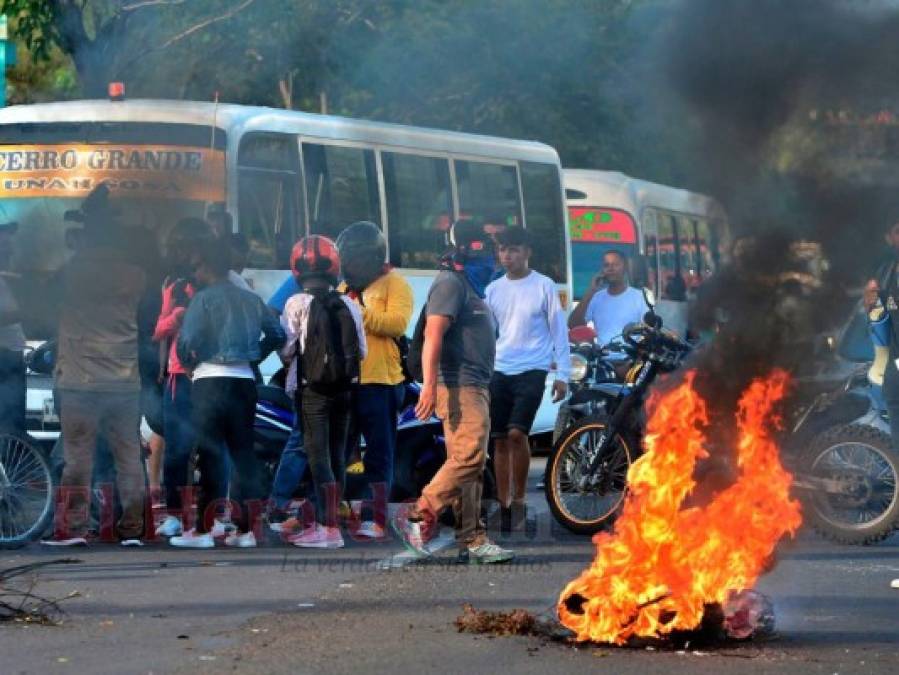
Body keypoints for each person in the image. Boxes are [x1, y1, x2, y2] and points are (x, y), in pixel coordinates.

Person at [393, 219, 514, 564]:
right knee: (470, 457)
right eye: (485, 247)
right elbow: (433, 335)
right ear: (465, 248)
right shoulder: (449, 283)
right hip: (458, 384)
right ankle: (418, 513)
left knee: (470, 465)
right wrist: (429, 387)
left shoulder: (470, 286)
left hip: (476, 384)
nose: (492, 256)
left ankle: (472, 538)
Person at [172, 237, 286, 548]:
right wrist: (253, 356)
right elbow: (277, 333)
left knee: (209, 454)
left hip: (210, 380)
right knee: (244, 454)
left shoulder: (204, 299)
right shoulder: (250, 298)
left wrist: (188, 364)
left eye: (196, 267)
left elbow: (187, 340)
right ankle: (246, 530)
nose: (194, 273)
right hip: (245, 382)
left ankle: (204, 531)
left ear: (208, 266)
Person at [47, 203, 147, 546]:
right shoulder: (136, 275)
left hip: (80, 380)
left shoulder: (71, 272)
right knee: (129, 457)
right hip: (124, 381)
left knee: (78, 458)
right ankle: (133, 528)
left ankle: (75, 527)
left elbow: (43, 299)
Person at [280, 235, 366, 549]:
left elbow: (288, 348)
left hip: (311, 392)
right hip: (345, 391)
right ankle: (329, 523)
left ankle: (326, 528)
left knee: (318, 459)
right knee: (338, 456)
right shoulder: (349, 303)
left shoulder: (296, 303)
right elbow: (363, 351)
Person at [486, 226, 569, 532]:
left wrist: (563, 375)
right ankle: (503, 504)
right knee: (499, 439)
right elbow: (489, 333)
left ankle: (519, 499)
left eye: (515, 250)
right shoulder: (494, 289)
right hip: (500, 368)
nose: (508, 256)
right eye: (503, 250)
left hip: (533, 370)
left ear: (528, 252)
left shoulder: (544, 286)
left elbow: (559, 331)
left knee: (518, 434)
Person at [337, 222, 413, 539]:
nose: (350, 266)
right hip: (345, 381)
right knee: (339, 449)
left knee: (379, 452)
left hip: (381, 381)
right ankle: (337, 506)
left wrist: (355, 312)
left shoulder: (394, 283)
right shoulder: (342, 289)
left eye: (355, 259)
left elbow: (396, 323)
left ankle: (374, 516)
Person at [152, 218, 216, 540]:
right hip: (178, 375)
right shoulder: (172, 284)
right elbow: (159, 329)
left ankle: (211, 515)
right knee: (177, 450)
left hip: (210, 373)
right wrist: (177, 316)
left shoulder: (218, 282)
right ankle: (176, 515)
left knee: (211, 449)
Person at [568, 250, 647, 351]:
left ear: (625, 268)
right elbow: (573, 325)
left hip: (631, 362)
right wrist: (590, 291)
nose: (611, 269)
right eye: (606, 265)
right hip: (602, 361)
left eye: (615, 265)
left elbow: (648, 331)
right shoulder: (596, 297)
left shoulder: (640, 297)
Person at [0, 221, 26, 436]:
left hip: (12, 356)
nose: (10, 249)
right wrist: (26, 311)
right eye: (4, 243)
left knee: (14, 424)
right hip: (4, 357)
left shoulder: (7, 277)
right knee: (9, 422)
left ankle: (12, 465)